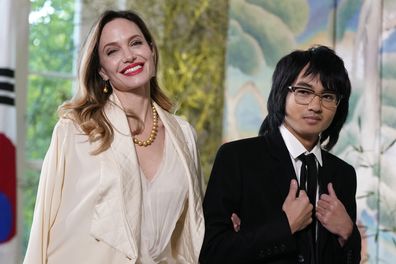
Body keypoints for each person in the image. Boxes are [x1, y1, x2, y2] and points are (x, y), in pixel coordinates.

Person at [24, 10, 204, 264]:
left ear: (151, 50)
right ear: (102, 71)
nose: (129, 56)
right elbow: (43, 224)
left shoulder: (184, 135)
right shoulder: (75, 130)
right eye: (112, 51)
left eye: (135, 43)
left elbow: (189, 234)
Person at [199, 45, 361, 264]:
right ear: (281, 92)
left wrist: (348, 233)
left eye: (328, 96)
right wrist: (284, 227)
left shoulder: (343, 174)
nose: (315, 105)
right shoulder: (237, 158)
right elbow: (211, 252)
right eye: (304, 92)